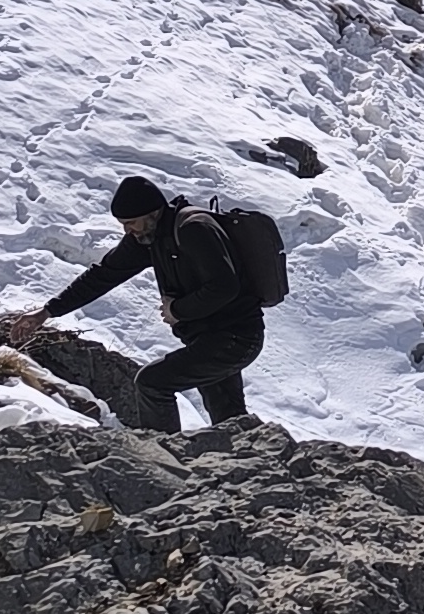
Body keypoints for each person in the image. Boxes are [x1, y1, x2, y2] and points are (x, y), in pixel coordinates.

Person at [13, 175, 263, 437]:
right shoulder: (149, 238)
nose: (127, 230)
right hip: (211, 339)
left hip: (237, 337)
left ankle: (165, 456)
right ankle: (252, 459)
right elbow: (103, 275)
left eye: (130, 222)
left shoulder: (193, 229)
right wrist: (47, 311)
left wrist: (177, 310)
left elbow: (224, 286)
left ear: (152, 212)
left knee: (152, 383)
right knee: (228, 418)